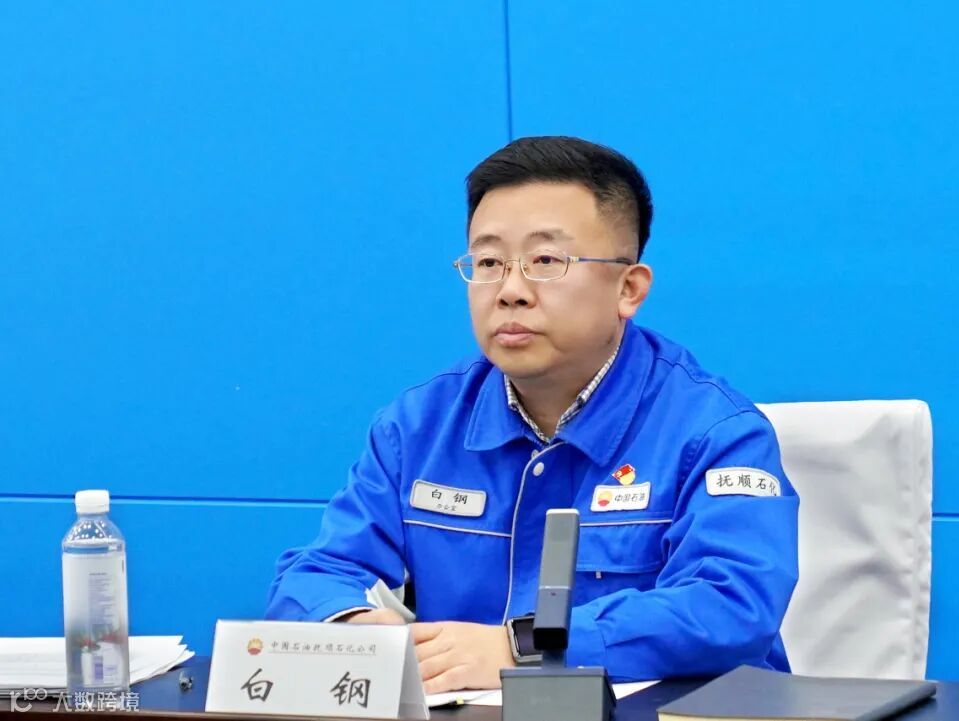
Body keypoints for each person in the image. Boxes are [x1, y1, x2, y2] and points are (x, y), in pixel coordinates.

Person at [266, 136, 799, 694]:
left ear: (629, 289)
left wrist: (528, 645)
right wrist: (355, 629)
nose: (510, 291)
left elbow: (732, 605)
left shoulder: (715, 433)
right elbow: (316, 574)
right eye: (489, 262)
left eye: (546, 261)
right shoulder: (418, 427)